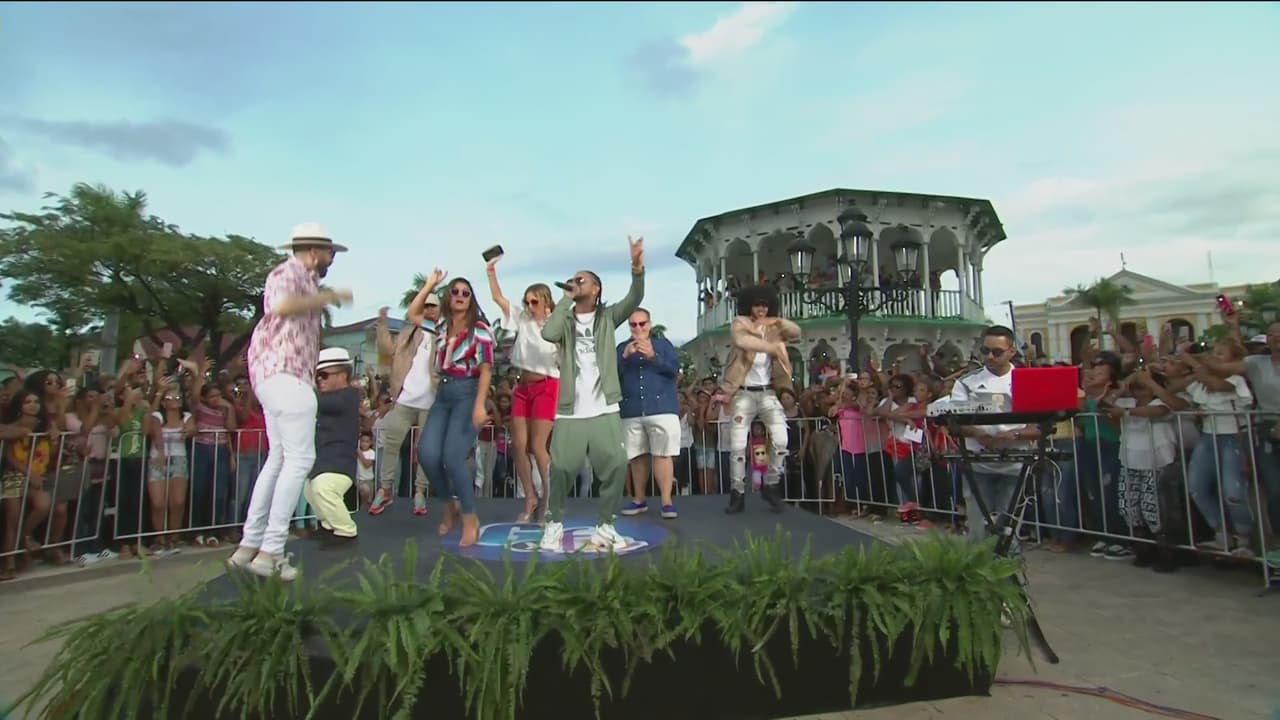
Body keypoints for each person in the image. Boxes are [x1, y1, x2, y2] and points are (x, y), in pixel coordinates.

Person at [227, 223, 352, 581]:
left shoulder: (304, 280)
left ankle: (249, 546)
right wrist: (326, 298)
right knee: (299, 460)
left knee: (279, 459)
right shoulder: (287, 274)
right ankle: (271, 552)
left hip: (274, 377)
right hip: (286, 376)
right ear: (314, 251)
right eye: (329, 252)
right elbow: (280, 306)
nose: (332, 258)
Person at [538, 237, 645, 553]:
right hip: (571, 409)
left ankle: (605, 526)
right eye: (573, 279)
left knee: (616, 464)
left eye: (581, 279)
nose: (575, 282)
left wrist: (637, 268)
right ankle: (554, 524)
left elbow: (636, 296)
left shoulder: (608, 317)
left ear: (596, 288)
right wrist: (564, 301)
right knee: (561, 469)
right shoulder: (566, 319)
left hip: (604, 408)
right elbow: (548, 333)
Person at [414, 269, 496, 548]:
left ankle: (470, 517)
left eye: (465, 293)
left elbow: (486, 369)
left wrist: (479, 406)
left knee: (453, 456)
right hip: (444, 393)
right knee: (426, 454)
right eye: (455, 292)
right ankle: (449, 505)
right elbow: (413, 314)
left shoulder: (480, 329)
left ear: (471, 299)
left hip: (467, 392)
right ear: (448, 297)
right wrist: (429, 285)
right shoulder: (440, 326)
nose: (460, 296)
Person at [946, 325, 1040, 543]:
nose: (989, 356)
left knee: (1009, 533)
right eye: (985, 350)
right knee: (978, 531)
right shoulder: (966, 383)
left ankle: (1008, 563)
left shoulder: (1027, 380)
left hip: (1015, 466)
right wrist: (980, 435)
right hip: (978, 466)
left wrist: (1014, 435)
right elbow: (954, 421)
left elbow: (1039, 426)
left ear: (1011, 352)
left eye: (996, 352)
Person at [485, 254, 559, 522]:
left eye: (534, 302)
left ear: (546, 302)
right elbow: (498, 298)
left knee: (538, 446)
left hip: (548, 385)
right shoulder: (522, 319)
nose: (529, 306)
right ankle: (530, 497)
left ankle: (550, 499)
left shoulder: (558, 324)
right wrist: (491, 272)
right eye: (527, 301)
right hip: (522, 387)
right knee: (518, 445)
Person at [718, 283, 798, 515]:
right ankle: (737, 492)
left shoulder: (774, 328)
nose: (761, 309)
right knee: (737, 446)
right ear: (749, 306)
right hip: (743, 392)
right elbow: (742, 341)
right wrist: (773, 348)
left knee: (781, 440)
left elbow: (796, 333)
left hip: (768, 392)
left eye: (765, 305)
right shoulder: (741, 323)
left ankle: (771, 484)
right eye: (756, 305)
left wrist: (778, 322)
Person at [368, 292, 440, 517]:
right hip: (405, 399)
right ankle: (385, 489)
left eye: (433, 306)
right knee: (391, 445)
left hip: (430, 401)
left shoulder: (443, 333)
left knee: (425, 450)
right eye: (425, 306)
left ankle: (420, 492)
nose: (429, 310)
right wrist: (382, 325)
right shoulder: (408, 332)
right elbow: (388, 350)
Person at [617, 307, 681, 519]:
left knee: (663, 454)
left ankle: (666, 502)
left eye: (642, 323)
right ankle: (639, 499)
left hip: (661, 408)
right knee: (636, 455)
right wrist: (624, 357)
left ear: (649, 324)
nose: (638, 328)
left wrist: (654, 357)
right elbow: (613, 376)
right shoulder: (622, 348)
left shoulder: (663, 345)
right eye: (633, 324)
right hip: (632, 408)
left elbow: (674, 370)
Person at [305, 348, 363, 548]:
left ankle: (346, 531)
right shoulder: (332, 398)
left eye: (324, 375)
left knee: (323, 488)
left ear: (342, 375)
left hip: (339, 462)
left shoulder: (348, 396)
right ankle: (328, 526)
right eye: (317, 376)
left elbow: (314, 402)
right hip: (324, 460)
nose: (319, 380)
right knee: (310, 490)